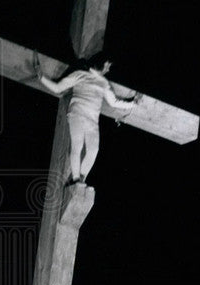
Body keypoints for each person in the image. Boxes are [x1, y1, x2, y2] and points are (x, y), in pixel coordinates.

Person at [34, 51, 139, 185]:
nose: (108, 69)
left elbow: (114, 102)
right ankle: (76, 178)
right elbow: (57, 88)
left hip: (92, 120)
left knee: (94, 150)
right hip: (77, 114)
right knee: (77, 147)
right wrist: (41, 77)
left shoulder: (104, 83)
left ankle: (80, 178)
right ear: (102, 64)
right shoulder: (80, 75)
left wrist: (133, 104)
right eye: (108, 66)